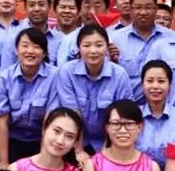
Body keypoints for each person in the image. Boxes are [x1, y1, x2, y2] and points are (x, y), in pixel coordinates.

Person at [53, 24, 135, 152]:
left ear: (107, 47)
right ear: (79, 48)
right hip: (74, 140)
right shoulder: (67, 71)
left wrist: (106, 152)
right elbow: (72, 114)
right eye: (86, 45)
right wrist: (79, 151)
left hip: (110, 141)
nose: (93, 51)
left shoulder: (119, 74)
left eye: (99, 45)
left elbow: (121, 116)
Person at [0, 27, 57, 165]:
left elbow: (49, 120)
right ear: (16, 50)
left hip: (42, 139)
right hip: (12, 139)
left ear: (44, 53)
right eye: (25, 45)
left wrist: (43, 161)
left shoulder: (55, 77)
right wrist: (4, 162)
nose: (30, 51)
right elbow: (2, 121)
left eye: (36, 47)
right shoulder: (3, 79)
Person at [137, 61, 175, 166]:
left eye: (161, 81)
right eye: (150, 81)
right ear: (142, 84)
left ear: (170, 85)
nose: (155, 86)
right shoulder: (133, 116)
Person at [110, 0, 175, 83]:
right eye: (138, 7)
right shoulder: (115, 39)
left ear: (156, 9)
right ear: (131, 9)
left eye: (148, 7)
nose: (143, 12)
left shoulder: (171, 37)